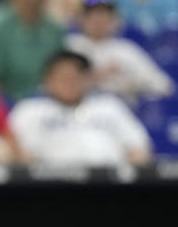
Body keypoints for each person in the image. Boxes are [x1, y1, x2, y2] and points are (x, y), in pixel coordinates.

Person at [9, 50, 152, 166]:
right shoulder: (29, 110)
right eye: (63, 77)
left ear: (88, 79)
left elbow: (138, 148)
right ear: (47, 80)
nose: (70, 83)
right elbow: (7, 148)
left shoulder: (110, 106)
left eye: (76, 76)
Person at [65, 0, 174, 103]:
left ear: (113, 19)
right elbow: (53, 86)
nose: (99, 19)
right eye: (93, 14)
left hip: (123, 111)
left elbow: (164, 86)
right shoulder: (70, 46)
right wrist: (94, 77)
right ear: (82, 17)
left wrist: (132, 81)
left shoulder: (126, 49)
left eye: (104, 14)